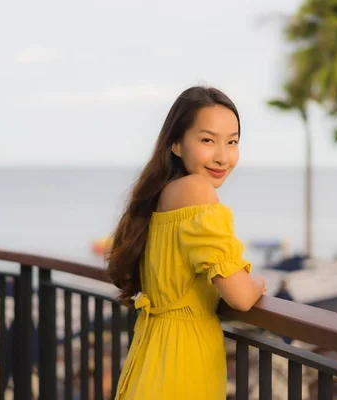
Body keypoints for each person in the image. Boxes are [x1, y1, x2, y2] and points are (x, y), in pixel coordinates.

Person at [106, 85, 267, 399]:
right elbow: (240, 296)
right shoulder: (198, 191)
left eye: (232, 142)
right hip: (184, 358)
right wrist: (257, 283)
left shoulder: (163, 193)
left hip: (154, 350)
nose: (223, 156)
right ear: (176, 144)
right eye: (207, 140)